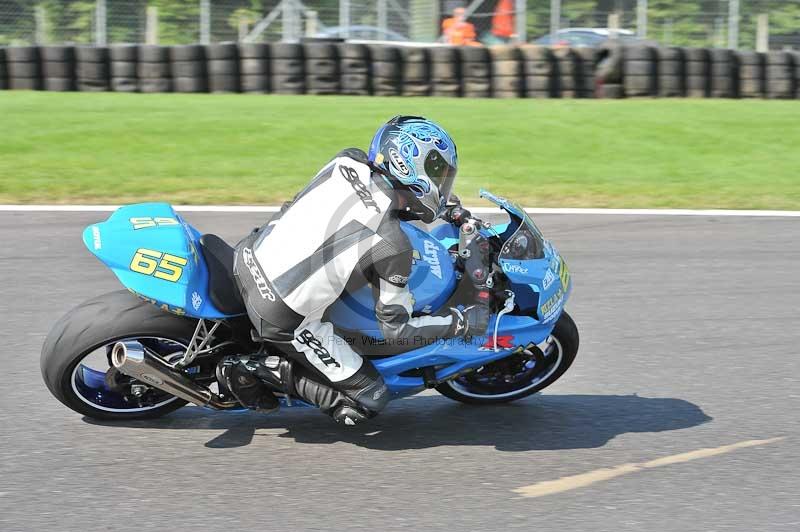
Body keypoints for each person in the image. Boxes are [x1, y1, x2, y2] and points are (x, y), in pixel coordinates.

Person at [224, 116, 492, 425]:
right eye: (437, 173)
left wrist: (449, 209)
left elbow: (300, 202)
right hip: (279, 313)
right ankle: (253, 370)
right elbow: (397, 331)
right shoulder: (393, 245)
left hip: (250, 251)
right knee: (370, 397)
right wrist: (460, 322)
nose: (442, 183)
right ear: (410, 168)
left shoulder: (348, 160)